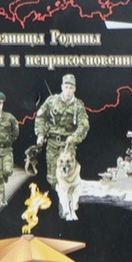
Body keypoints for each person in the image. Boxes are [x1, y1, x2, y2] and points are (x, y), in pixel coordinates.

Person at [32, 74, 90, 220]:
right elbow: (40, 117)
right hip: (52, 143)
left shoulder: (78, 106)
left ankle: (65, 207)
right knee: (52, 178)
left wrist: (74, 137)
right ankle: (61, 198)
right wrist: (40, 134)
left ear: (75, 89)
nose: (68, 90)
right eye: (66, 87)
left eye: (71, 88)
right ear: (62, 87)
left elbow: (84, 125)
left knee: (67, 177)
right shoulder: (52, 101)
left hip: (68, 147)